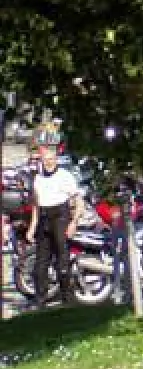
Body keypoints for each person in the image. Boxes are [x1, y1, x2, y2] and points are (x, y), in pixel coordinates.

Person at [27, 130, 82, 307]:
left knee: (62, 263)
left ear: (56, 159)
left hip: (60, 216)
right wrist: (32, 227)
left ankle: (67, 298)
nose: (47, 163)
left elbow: (78, 202)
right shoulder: (37, 178)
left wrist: (73, 223)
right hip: (44, 218)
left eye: (50, 160)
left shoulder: (65, 176)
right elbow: (36, 205)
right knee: (40, 266)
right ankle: (40, 300)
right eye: (44, 160)